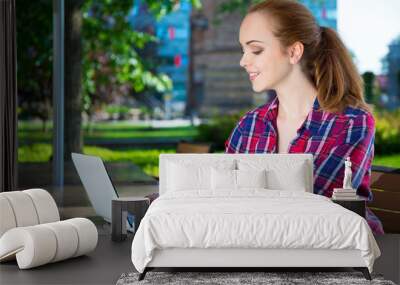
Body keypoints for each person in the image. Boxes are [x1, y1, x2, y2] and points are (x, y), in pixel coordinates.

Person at [225, 0, 384, 234]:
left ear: (293, 52)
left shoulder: (350, 123)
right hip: (259, 248)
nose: (243, 61)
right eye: (243, 50)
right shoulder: (250, 124)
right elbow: (225, 195)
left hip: (337, 257)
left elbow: (318, 208)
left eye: (256, 50)